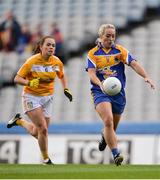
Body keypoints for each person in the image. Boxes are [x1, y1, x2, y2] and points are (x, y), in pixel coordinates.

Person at [86, 24, 155, 166]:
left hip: (118, 92)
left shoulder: (120, 50)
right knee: (108, 120)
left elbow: (134, 64)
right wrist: (100, 84)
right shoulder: (93, 53)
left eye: (113, 35)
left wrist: (145, 76)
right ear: (101, 36)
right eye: (108, 35)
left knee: (112, 128)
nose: (111, 38)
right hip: (100, 91)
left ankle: (104, 136)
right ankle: (116, 154)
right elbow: (91, 73)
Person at [7, 36, 73, 164]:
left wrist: (66, 89)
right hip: (31, 97)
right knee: (43, 129)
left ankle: (19, 121)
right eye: (48, 45)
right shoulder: (32, 61)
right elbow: (17, 79)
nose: (51, 47)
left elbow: (62, 75)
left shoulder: (56, 62)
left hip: (48, 98)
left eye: (53, 45)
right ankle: (46, 159)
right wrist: (30, 83)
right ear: (41, 47)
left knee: (39, 132)